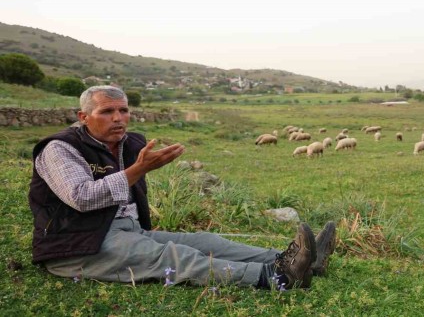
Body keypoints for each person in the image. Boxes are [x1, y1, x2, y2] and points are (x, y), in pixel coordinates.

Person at [29, 85, 336, 290]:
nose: (118, 118)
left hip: (125, 231)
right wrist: (138, 170)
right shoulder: (60, 149)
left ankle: (297, 258)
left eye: (123, 110)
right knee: (173, 256)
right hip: (75, 246)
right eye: (107, 112)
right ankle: (276, 278)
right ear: (83, 117)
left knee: (204, 240)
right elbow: (82, 198)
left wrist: (137, 167)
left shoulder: (128, 143)